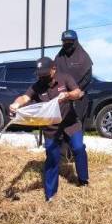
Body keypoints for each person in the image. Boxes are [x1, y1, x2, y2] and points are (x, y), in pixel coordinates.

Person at [9, 57, 86, 202]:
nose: (42, 77)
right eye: (40, 74)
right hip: (51, 127)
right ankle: (50, 195)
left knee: (78, 148)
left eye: (45, 73)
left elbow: (78, 92)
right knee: (52, 157)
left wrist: (68, 95)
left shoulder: (65, 78)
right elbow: (25, 97)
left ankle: (83, 180)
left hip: (70, 123)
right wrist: (15, 104)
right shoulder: (38, 86)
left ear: (54, 69)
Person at [54, 29, 93, 127]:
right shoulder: (59, 57)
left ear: (75, 41)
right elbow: (54, 75)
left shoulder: (83, 57)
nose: (67, 44)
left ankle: (77, 142)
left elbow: (87, 78)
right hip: (62, 97)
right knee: (61, 124)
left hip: (79, 98)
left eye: (70, 41)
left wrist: (75, 90)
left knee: (77, 124)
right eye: (65, 41)